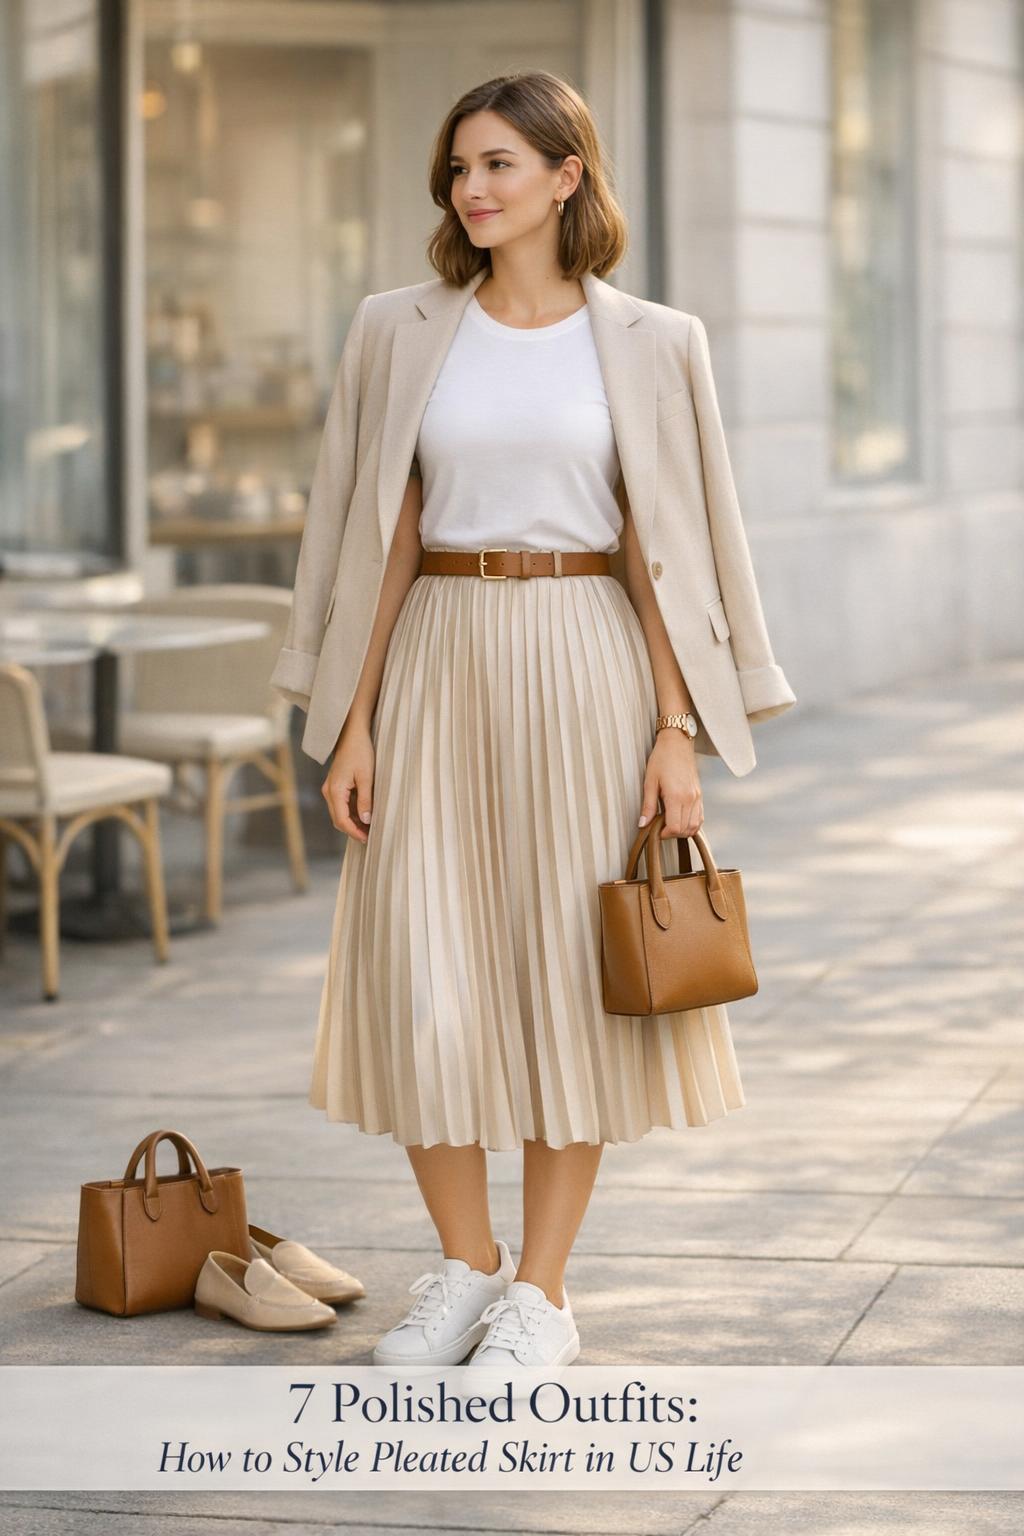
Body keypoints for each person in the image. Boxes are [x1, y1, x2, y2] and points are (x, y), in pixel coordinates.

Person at [272, 71, 796, 1371]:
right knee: (426, 977)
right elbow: (369, 534)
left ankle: (543, 1296)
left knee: (574, 985)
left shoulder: (657, 341)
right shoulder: (396, 330)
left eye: (500, 164)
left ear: (570, 176)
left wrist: (677, 729)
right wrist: (353, 719)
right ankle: (464, 1266)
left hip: (590, 665)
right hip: (438, 660)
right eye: (459, 169)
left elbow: (672, 547)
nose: (473, 190)